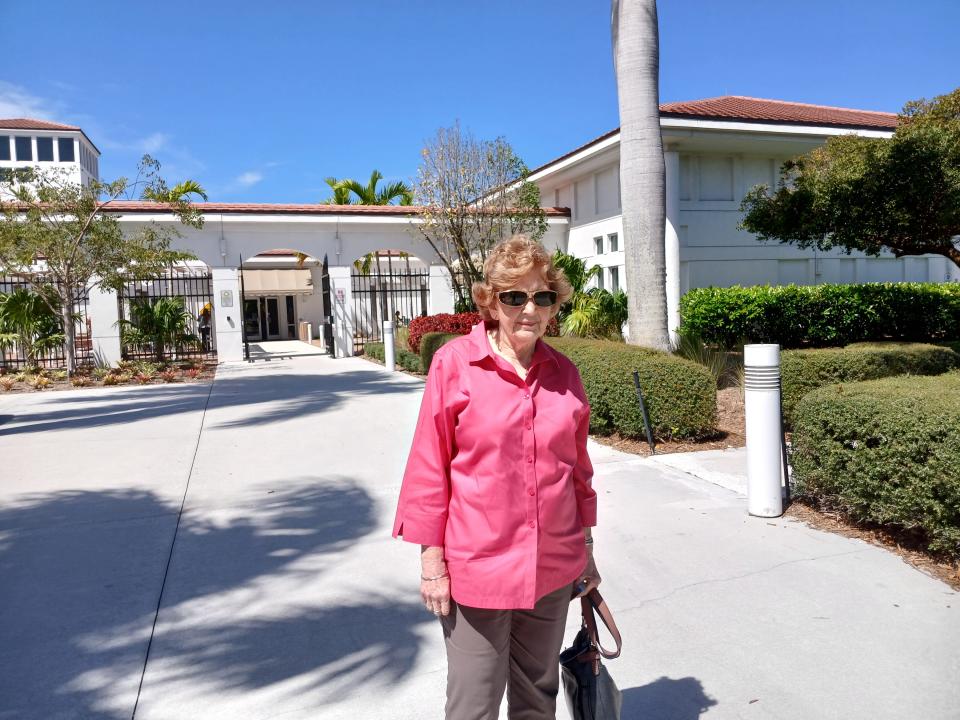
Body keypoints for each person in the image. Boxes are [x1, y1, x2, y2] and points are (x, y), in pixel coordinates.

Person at [393, 235, 601, 720]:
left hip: (551, 567)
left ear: (554, 305)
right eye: (514, 296)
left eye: (542, 296)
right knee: (474, 705)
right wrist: (432, 564)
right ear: (491, 300)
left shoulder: (564, 373)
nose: (529, 309)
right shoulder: (455, 364)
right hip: (478, 569)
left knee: (537, 699)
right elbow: (430, 464)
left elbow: (577, 473)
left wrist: (585, 552)